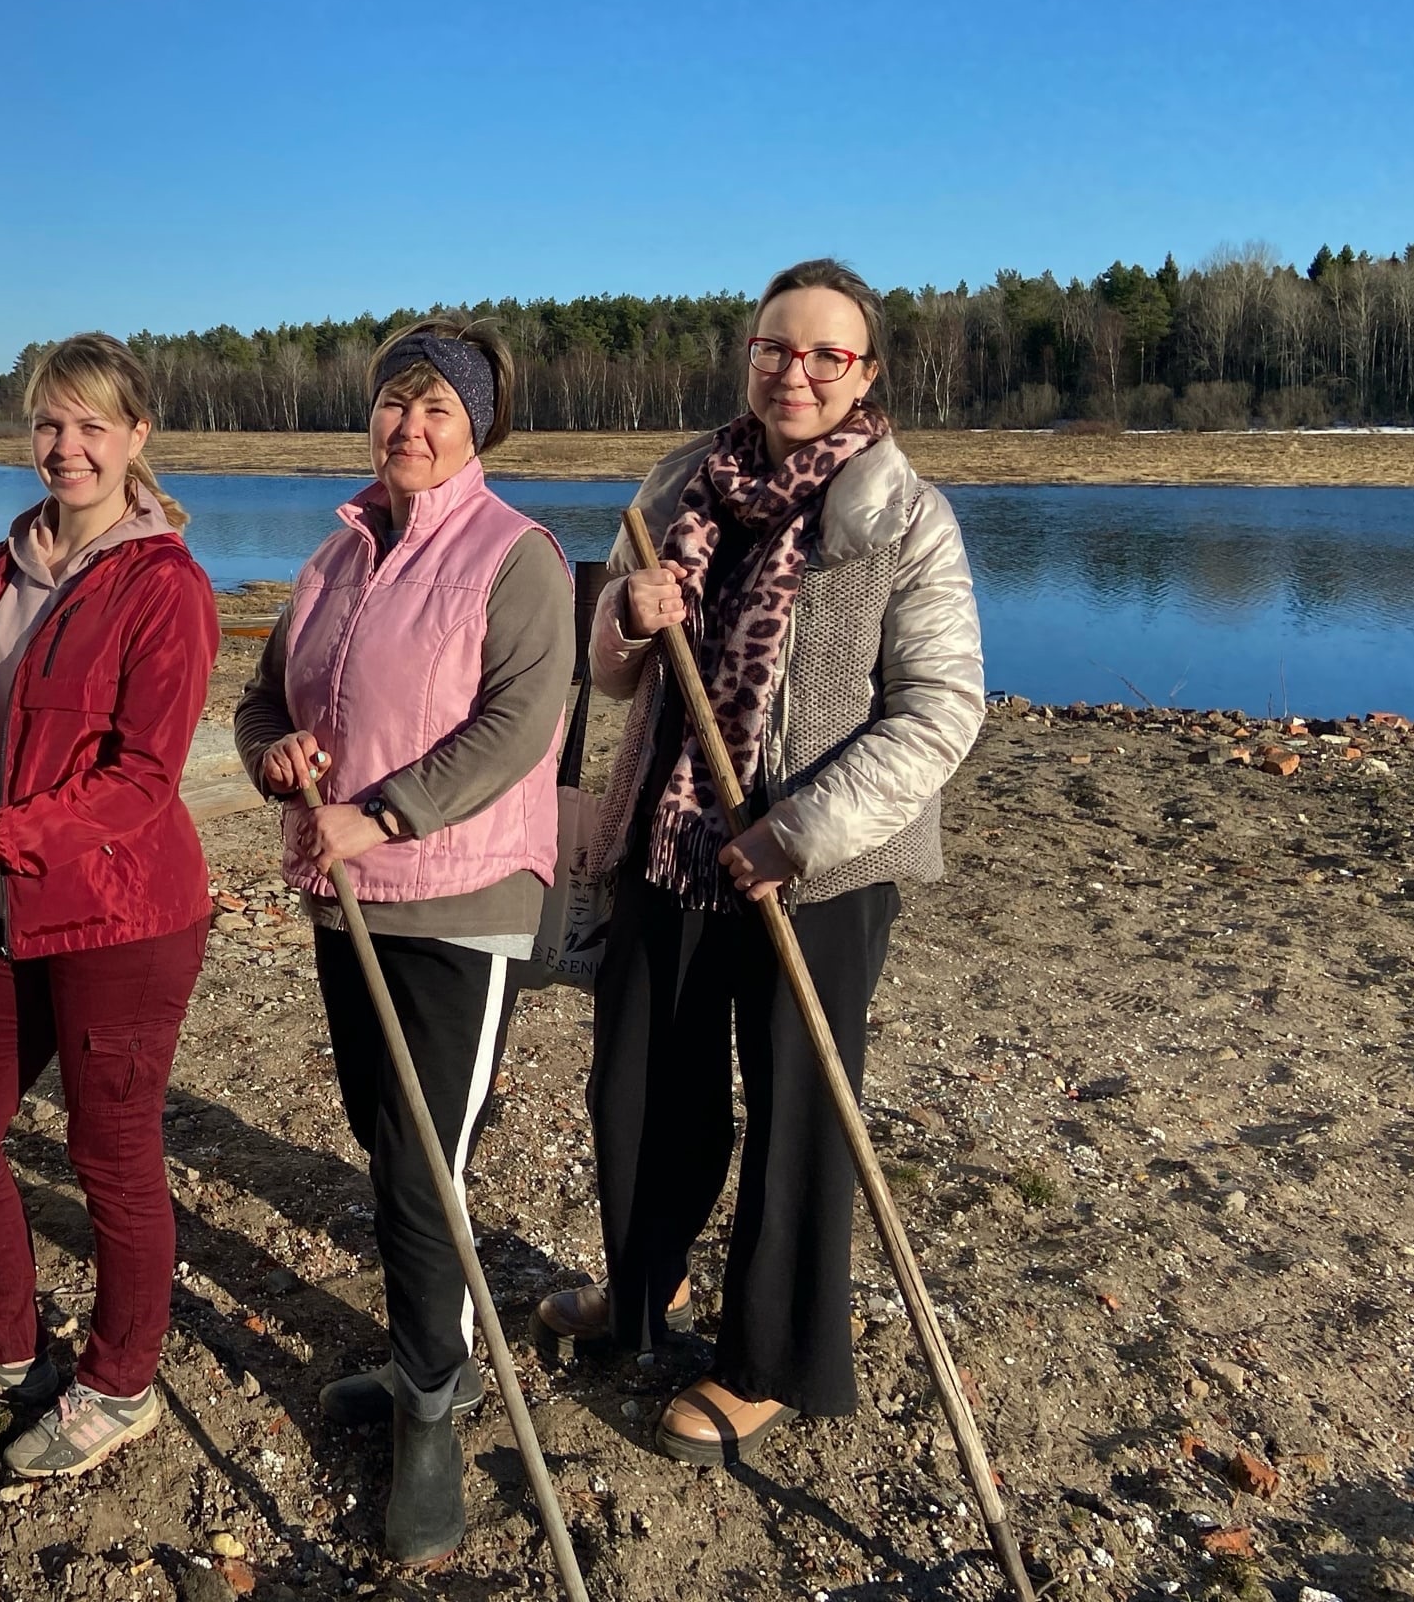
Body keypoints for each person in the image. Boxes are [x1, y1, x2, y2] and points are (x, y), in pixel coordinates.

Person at [534, 257, 984, 1466]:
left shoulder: (906, 516)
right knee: (639, 1090)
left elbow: (941, 711)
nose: (796, 371)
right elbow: (617, 672)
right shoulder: (679, 479)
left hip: (817, 865)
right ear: (749, 357)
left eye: (825, 355)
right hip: (669, 838)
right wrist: (624, 621)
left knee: (796, 1108)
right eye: (776, 349)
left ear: (865, 374)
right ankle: (646, 1291)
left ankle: (770, 1360)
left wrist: (797, 830)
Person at [233, 316, 572, 1566]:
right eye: (392, 404)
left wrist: (383, 813)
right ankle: (440, 1354)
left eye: (436, 408)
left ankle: (431, 1413)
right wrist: (272, 753)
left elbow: (520, 725)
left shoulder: (516, 554)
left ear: (475, 424)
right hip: (345, 897)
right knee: (385, 1144)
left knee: (423, 1172)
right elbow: (268, 695)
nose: (409, 428)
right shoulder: (335, 554)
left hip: (463, 899)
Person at [0, 333, 219, 1480]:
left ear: (137, 438)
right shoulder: (0, 567)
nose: (66, 447)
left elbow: (142, 781)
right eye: (48, 424)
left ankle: (121, 1381)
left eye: (92, 426)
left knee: (110, 1153)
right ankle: (5, 1337)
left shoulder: (167, 586)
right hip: (13, 915)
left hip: (125, 918)